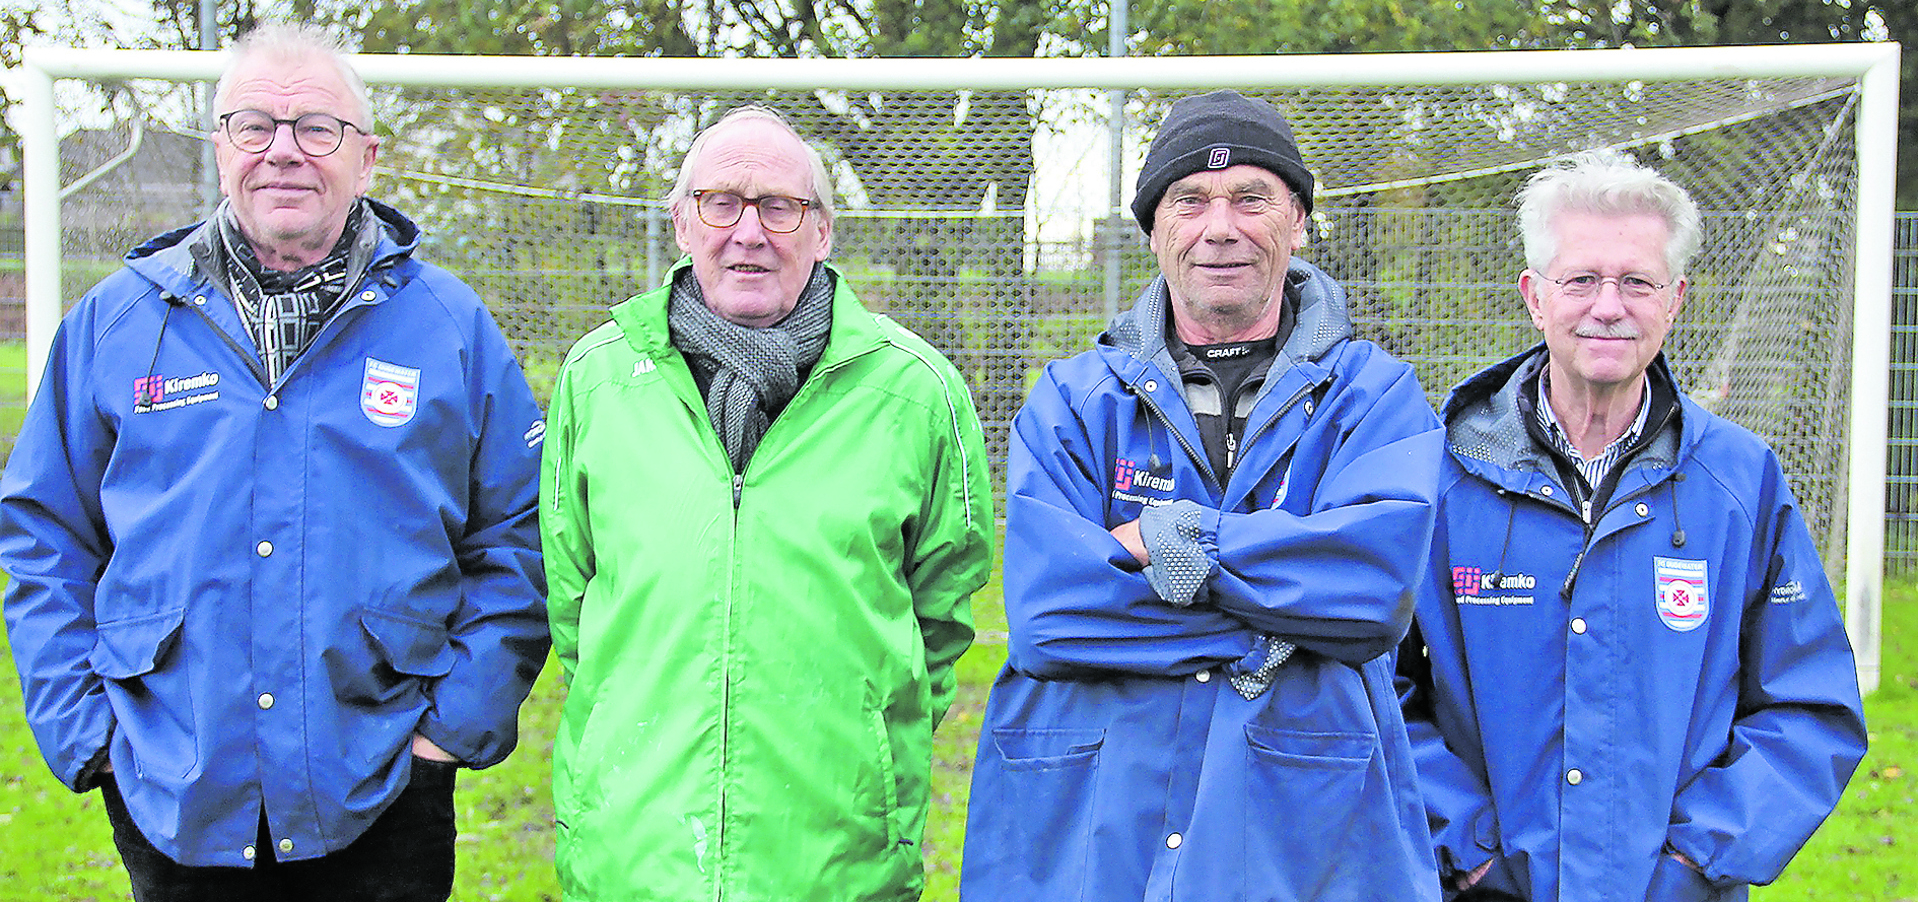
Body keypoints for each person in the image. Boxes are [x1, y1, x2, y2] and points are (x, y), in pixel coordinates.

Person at [0, 23, 550, 901]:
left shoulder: (448, 326)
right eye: (255, 126)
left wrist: (453, 725)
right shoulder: (119, 323)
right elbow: (43, 535)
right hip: (172, 788)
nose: (283, 152)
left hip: (385, 786)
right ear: (220, 150)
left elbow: (522, 536)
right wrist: (89, 734)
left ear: (365, 159)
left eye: (316, 129)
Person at [962, 90, 1445, 901]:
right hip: (1098, 834)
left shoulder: (1375, 397)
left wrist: (1179, 542)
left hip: (1309, 839)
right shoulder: (1073, 401)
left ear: (1297, 223)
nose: (1220, 225)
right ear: (1156, 229)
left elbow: (1366, 599)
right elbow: (1049, 612)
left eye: (1251, 198)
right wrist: (1283, 620)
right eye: (1190, 200)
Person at [541, 105, 994, 900]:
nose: (748, 230)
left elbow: (943, 617)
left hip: (835, 861)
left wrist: (862, 746)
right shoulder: (598, 381)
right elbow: (575, 603)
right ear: (683, 222)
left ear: (822, 232)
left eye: (780, 207)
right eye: (721, 201)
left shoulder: (916, 394)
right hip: (632, 855)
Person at [1396, 149, 1868, 901]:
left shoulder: (1739, 483)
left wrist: (1697, 862)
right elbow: (1373, 685)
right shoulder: (1435, 476)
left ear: (1675, 299)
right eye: (1581, 278)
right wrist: (1472, 851)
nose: (1608, 305)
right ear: (1535, 296)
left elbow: (1810, 708)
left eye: (1637, 281)